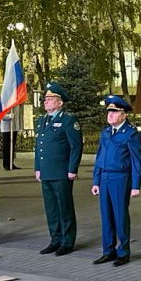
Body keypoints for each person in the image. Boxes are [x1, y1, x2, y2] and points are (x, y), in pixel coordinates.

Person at [92, 95, 141, 266]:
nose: (110, 114)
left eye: (114, 112)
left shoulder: (130, 134)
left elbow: (138, 160)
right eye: (109, 111)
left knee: (120, 215)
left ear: (124, 114)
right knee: (106, 216)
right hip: (105, 178)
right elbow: (100, 157)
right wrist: (96, 181)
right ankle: (108, 250)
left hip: (120, 178)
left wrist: (136, 185)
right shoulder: (105, 133)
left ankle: (123, 251)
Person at [35, 82, 83, 256]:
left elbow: (76, 146)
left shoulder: (68, 120)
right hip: (46, 171)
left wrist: (72, 169)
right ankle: (55, 239)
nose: (46, 101)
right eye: (45, 99)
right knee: (51, 208)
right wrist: (37, 168)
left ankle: (67, 241)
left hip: (62, 172)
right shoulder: (42, 120)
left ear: (60, 102)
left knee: (64, 207)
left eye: (50, 99)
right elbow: (38, 146)